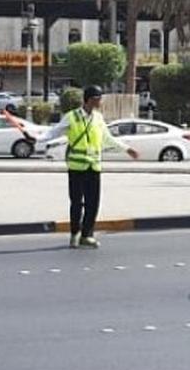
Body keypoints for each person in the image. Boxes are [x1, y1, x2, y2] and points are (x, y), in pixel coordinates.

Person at [36, 85, 138, 249]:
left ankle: (87, 235)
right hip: (76, 166)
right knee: (76, 202)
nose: (100, 102)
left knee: (93, 203)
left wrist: (127, 149)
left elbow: (108, 138)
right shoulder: (72, 117)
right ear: (90, 99)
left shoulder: (98, 118)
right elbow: (53, 132)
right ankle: (75, 234)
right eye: (98, 99)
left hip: (94, 166)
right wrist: (37, 138)